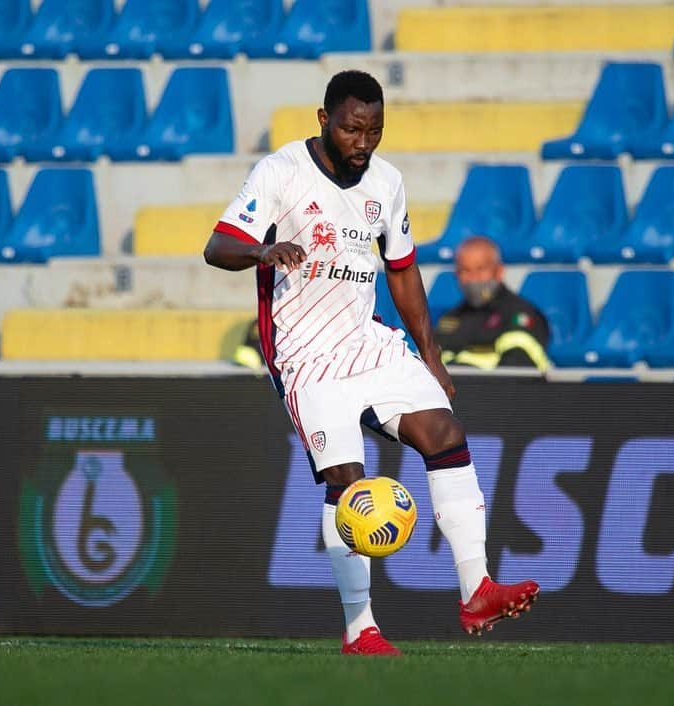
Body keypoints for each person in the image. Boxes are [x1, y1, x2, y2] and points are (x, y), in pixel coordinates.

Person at [203, 70, 539, 656]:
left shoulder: (386, 182)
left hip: (367, 340)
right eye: (353, 129)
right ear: (324, 120)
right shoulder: (281, 172)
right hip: (304, 354)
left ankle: (476, 588)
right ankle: (361, 629)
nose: (364, 142)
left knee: (445, 432)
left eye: (375, 130)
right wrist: (263, 248)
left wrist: (431, 356)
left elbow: (402, 269)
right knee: (346, 483)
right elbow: (217, 246)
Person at [436, 236, 552, 373]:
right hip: (460, 392)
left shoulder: (520, 314)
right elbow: (435, 369)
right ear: (456, 274)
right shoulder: (450, 320)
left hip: (506, 393)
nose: (473, 278)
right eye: (465, 270)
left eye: (481, 269)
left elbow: (518, 367)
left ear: (499, 271)